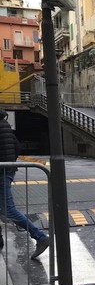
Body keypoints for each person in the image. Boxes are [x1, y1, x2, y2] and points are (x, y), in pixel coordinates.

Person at [0, 110, 50, 259]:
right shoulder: (5, 124)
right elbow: (17, 147)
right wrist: (9, 162)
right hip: (6, 170)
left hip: (2, 172)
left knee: (9, 210)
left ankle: (40, 237)